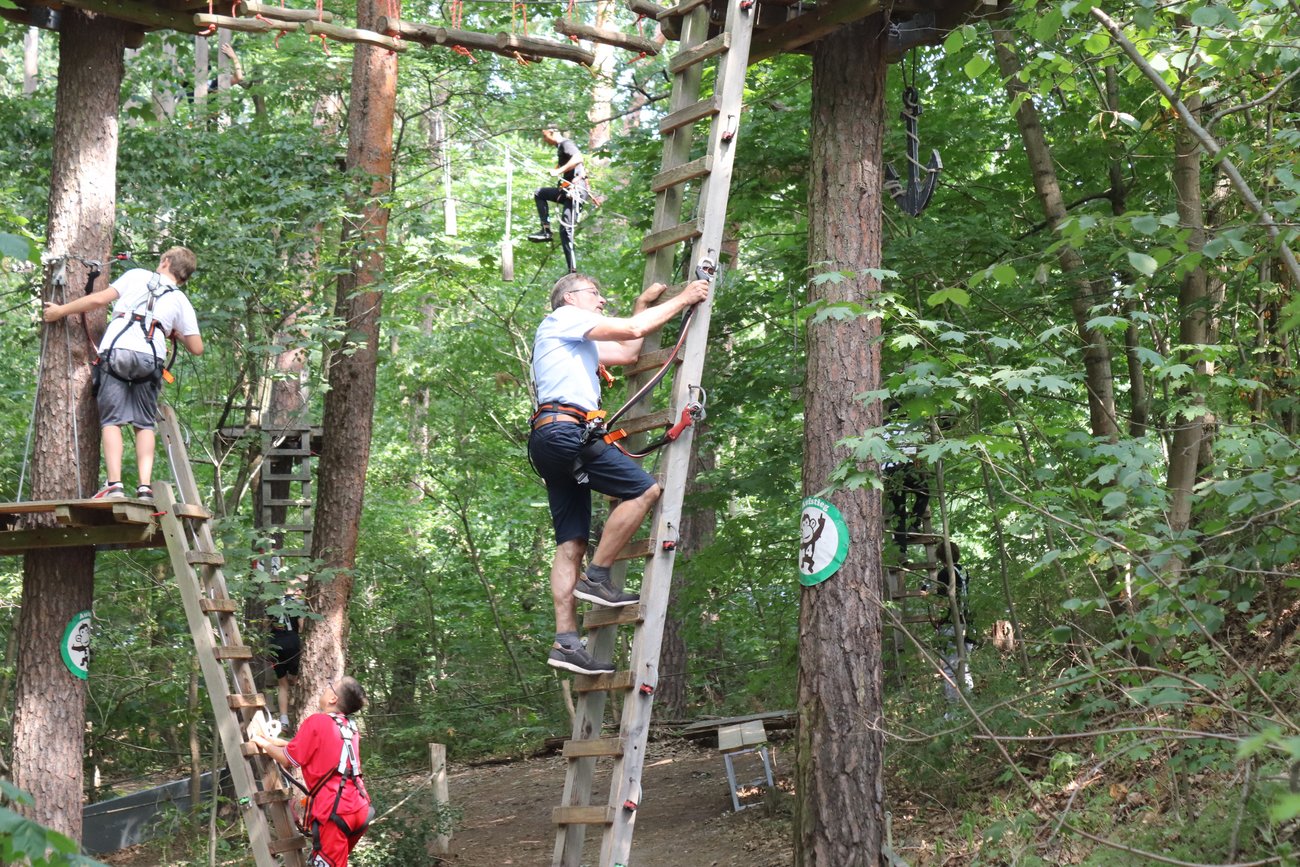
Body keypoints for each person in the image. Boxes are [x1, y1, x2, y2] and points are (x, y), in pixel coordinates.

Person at [529, 272, 709, 676]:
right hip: (564, 432)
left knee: (570, 544)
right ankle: (596, 577)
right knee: (644, 490)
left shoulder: (574, 340)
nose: (601, 300)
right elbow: (631, 330)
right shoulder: (563, 318)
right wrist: (686, 299)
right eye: (596, 294)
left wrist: (643, 306)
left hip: (548, 440)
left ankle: (566, 642)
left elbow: (628, 352)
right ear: (571, 298)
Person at [43, 247, 203, 501]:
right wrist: (173, 331)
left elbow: (98, 300)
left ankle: (114, 486)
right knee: (144, 424)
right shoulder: (181, 301)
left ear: (166, 261)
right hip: (150, 358)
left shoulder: (137, 275)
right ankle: (144, 489)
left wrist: (60, 311)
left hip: (117, 351)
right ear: (184, 277)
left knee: (111, 421)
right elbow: (197, 348)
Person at [250, 676, 373, 867]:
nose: (325, 687)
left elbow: (287, 760)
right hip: (358, 808)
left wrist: (261, 742)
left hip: (335, 812)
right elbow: (311, 749)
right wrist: (274, 742)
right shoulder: (349, 727)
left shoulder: (317, 722)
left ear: (333, 698)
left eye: (330, 686)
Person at [527, 126, 589, 274]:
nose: (544, 140)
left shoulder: (566, 144)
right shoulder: (561, 147)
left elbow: (578, 158)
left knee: (566, 231)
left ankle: (572, 272)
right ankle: (546, 230)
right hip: (568, 191)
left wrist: (558, 171)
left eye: (545, 136)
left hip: (576, 191)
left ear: (552, 133)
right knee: (539, 193)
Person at [929, 541, 976, 704]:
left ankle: (954, 711)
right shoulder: (963, 570)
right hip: (967, 623)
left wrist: (927, 597)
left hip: (952, 624)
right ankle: (969, 706)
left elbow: (945, 603)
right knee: (965, 668)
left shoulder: (945, 573)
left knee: (950, 669)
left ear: (940, 556)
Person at [881, 402, 929, 555]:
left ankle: (902, 551)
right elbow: (917, 453)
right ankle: (914, 525)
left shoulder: (883, 429)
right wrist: (920, 472)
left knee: (898, 509)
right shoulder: (911, 426)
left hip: (890, 471)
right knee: (923, 492)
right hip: (902, 468)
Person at [266, 571, 303, 732]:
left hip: (275, 645)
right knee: (294, 680)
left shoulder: (273, 605)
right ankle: (297, 712)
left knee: (282, 684)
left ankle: (284, 719)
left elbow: (265, 625)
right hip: (292, 643)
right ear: (296, 591)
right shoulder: (298, 605)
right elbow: (301, 627)